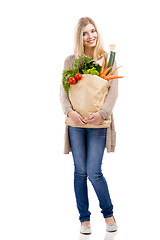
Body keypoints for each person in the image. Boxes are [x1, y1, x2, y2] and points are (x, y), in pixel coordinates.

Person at [60, 17, 118, 234]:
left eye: (92, 31)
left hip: (98, 123)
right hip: (76, 123)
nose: (90, 36)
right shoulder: (70, 61)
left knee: (94, 171)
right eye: (85, 33)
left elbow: (113, 92)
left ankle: (108, 213)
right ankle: (84, 219)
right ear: (79, 36)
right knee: (79, 171)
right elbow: (63, 92)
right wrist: (70, 112)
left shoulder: (107, 61)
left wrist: (102, 114)